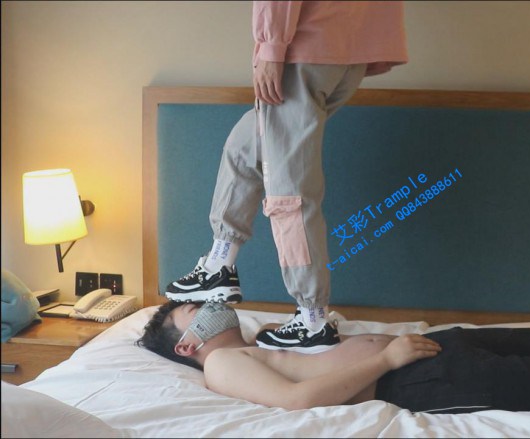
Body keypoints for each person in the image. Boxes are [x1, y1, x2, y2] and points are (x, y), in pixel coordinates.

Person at [137, 302, 530, 438]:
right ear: (187, 345)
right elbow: (297, 403)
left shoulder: (256, 337)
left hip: (424, 346)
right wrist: (386, 356)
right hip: (411, 378)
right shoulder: (223, 363)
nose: (213, 305)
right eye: (197, 310)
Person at [163, 1, 408, 353]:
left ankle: (313, 319)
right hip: (347, 50)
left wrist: (270, 47)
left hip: (307, 48)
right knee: (243, 149)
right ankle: (218, 264)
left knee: (289, 195)